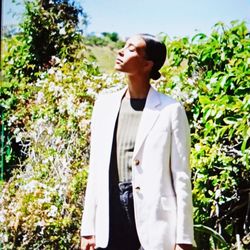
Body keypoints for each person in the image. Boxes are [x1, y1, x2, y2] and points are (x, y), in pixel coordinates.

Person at [80, 34, 194, 250]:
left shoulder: (171, 110)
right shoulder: (104, 105)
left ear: (147, 64)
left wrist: (184, 238)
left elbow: (181, 176)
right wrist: (88, 228)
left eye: (131, 49)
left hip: (154, 219)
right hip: (111, 210)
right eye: (123, 46)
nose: (121, 51)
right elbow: (95, 170)